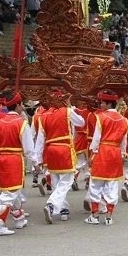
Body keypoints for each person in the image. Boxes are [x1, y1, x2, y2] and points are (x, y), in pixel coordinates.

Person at [36, 90, 85, 223]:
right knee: (66, 182)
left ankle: (63, 209)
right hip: (64, 150)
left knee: (56, 182)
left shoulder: (43, 116)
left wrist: (38, 159)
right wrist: (70, 108)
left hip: (51, 151)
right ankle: (51, 205)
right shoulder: (67, 111)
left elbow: (40, 140)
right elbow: (81, 122)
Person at [0, 91, 34, 236]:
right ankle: (0, 224)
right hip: (14, 160)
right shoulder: (22, 123)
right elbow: (29, 149)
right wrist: (36, 162)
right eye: (21, 104)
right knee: (10, 193)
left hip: (1, 160)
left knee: (13, 191)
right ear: (18, 105)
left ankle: (19, 219)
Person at [85, 90, 128, 225]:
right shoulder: (124, 120)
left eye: (102, 103)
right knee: (112, 184)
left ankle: (94, 215)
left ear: (109, 103)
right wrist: (123, 154)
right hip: (116, 152)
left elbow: (96, 138)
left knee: (95, 183)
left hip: (102, 151)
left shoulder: (101, 117)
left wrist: (92, 153)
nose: (101, 105)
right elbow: (124, 141)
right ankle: (109, 216)